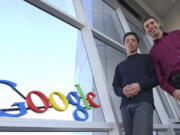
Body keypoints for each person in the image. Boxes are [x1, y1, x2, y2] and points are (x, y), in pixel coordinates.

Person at [112, 32, 158, 135]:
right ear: (124, 45)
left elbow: (157, 78)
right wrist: (122, 91)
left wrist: (139, 85)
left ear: (137, 44)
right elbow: (115, 87)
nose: (130, 43)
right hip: (125, 107)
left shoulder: (147, 58)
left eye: (133, 40)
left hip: (143, 103)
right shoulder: (119, 66)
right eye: (127, 41)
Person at [143, 16, 180, 100]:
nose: (151, 26)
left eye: (152, 23)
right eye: (147, 26)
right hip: (177, 81)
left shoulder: (177, 34)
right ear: (146, 32)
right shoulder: (152, 54)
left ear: (158, 24)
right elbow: (159, 78)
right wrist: (173, 91)